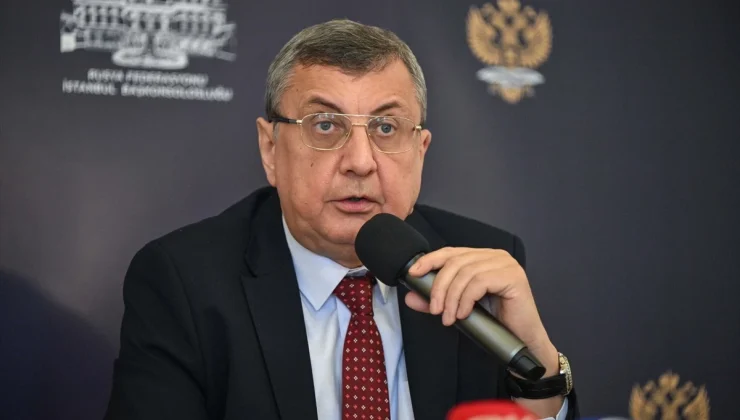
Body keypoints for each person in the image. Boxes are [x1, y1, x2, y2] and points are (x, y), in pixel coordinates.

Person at [104, 19, 578, 420]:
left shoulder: (480, 266)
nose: (360, 162)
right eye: (326, 126)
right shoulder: (184, 282)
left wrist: (535, 363)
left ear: (420, 151)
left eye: (386, 127)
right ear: (270, 149)